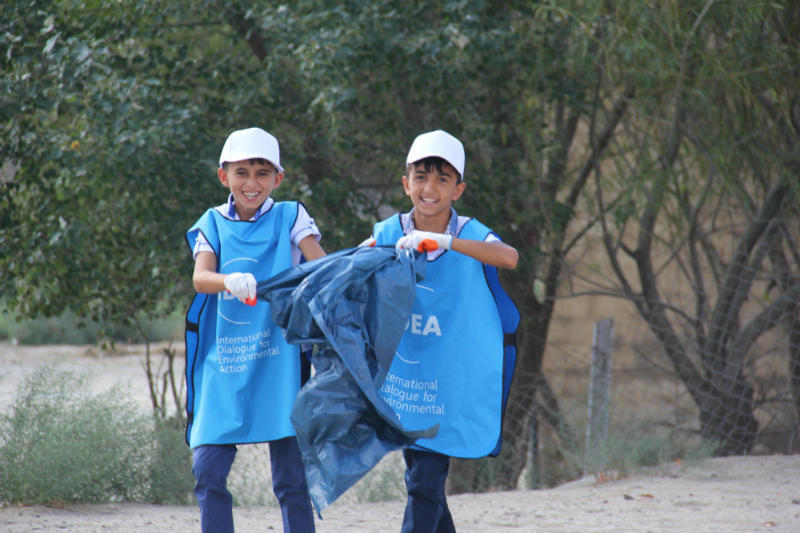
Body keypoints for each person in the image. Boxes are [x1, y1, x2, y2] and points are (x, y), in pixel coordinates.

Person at [364, 130, 520, 533]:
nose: (429, 189)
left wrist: (446, 241)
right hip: (405, 380)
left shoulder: (469, 231)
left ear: (459, 189)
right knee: (421, 475)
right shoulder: (389, 231)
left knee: (424, 479)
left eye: (442, 179)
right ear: (405, 184)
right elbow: (354, 265)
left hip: (449, 382)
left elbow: (509, 256)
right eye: (420, 177)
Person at [184, 127, 325, 533]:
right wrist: (230, 280)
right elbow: (201, 277)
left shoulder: (290, 215)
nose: (251, 182)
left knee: (291, 480)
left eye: (262, 173)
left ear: (277, 179)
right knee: (208, 471)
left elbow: (319, 264)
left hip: (279, 361)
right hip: (224, 361)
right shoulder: (212, 222)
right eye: (241, 171)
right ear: (223, 175)